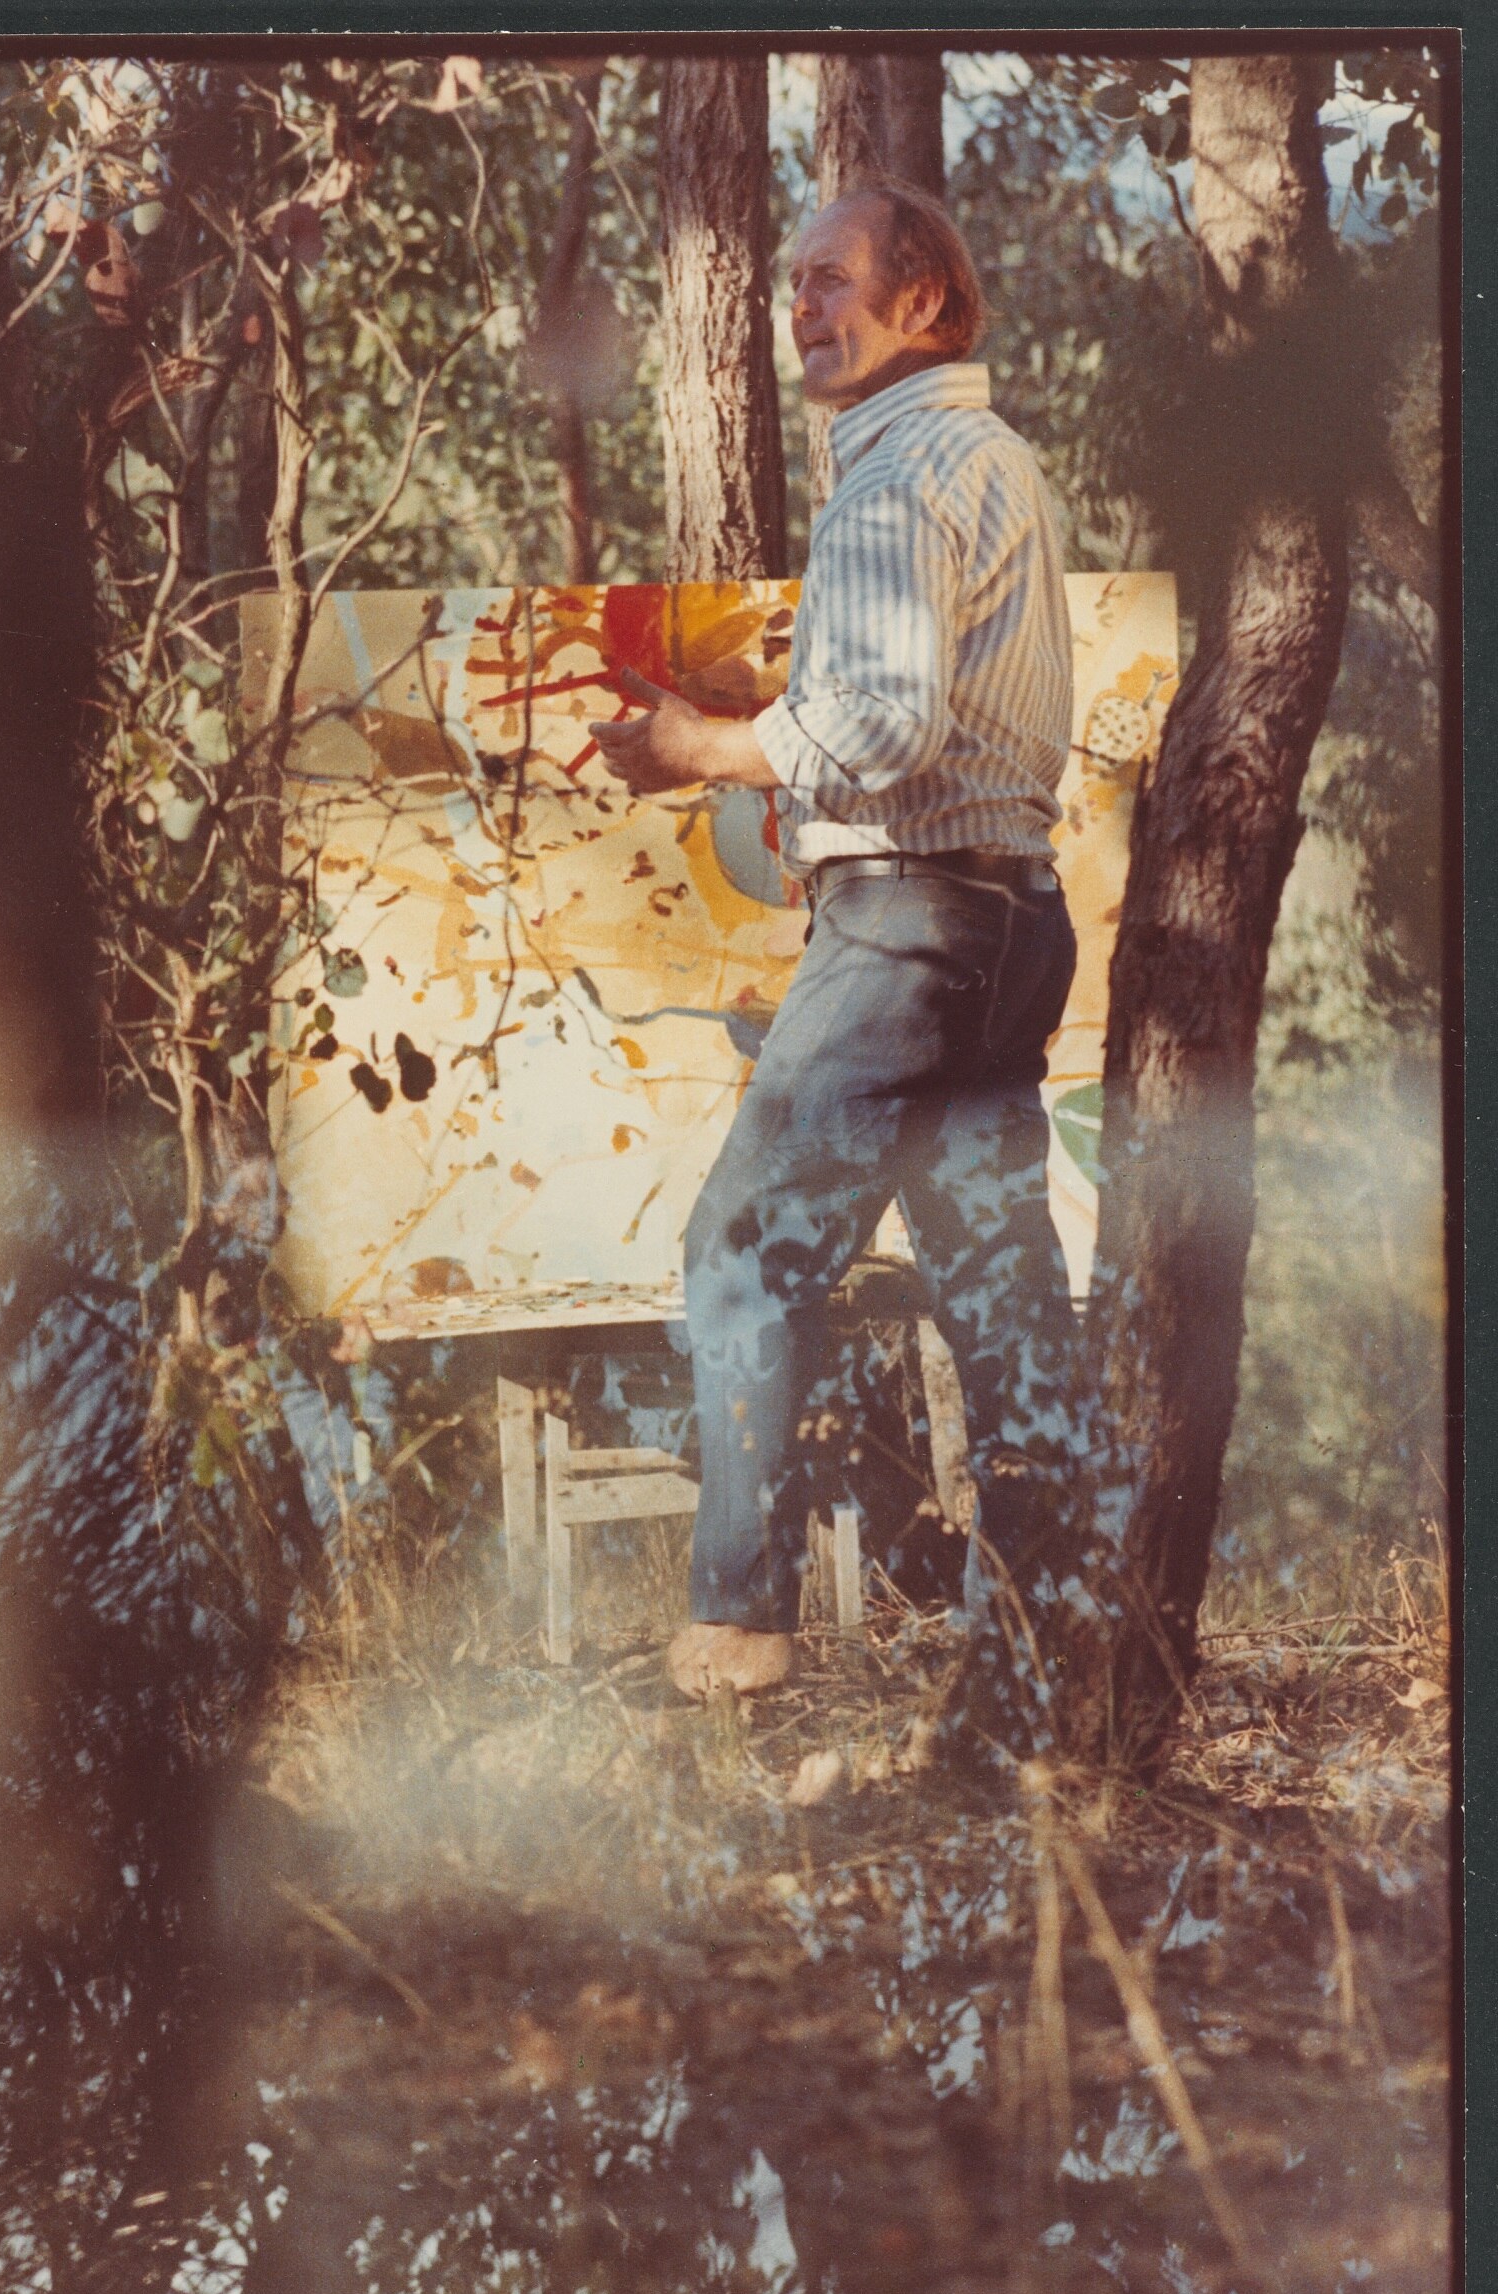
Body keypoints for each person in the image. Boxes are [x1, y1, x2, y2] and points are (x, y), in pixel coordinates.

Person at [592, 176, 1082, 1755]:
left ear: (925, 301)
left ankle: (736, 1634)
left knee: (744, 1257)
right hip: (1013, 923)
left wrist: (694, 746)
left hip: (904, 928)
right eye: (794, 285)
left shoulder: (891, 475)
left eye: (834, 281)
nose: (806, 308)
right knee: (1005, 1298)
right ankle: (1050, 1649)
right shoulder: (995, 455)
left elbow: (874, 725)